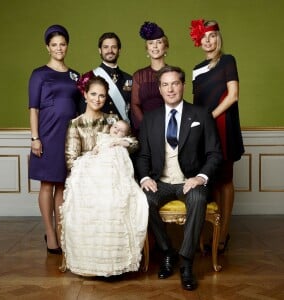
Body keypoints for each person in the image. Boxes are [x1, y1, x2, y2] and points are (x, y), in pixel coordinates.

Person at [135, 65, 222, 290]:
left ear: (183, 86)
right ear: (160, 89)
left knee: (198, 199)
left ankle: (186, 261)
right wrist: (145, 178)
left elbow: (214, 153)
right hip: (161, 182)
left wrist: (201, 177)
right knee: (144, 201)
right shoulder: (150, 118)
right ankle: (167, 251)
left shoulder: (201, 114)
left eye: (175, 83)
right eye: (165, 85)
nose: (170, 89)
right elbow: (143, 155)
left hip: (190, 180)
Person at [60, 75, 148, 277]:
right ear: (85, 94)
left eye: (102, 95)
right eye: (93, 94)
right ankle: (90, 263)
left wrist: (122, 143)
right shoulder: (76, 124)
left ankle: (114, 262)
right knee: (95, 203)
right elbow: (71, 160)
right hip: (86, 179)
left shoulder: (112, 120)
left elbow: (134, 143)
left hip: (112, 179)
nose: (97, 99)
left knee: (121, 202)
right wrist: (93, 163)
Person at [189, 19, 244, 253]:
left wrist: (209, 117)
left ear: (218, 38)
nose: (208, 41)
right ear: (199, 42)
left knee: (225, 179)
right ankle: (210, 229)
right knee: (209, 180)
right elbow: (196, 103)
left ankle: (223, 233)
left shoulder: (228, 61)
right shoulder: (196, 69)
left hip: (223, 125)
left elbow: (233, 96)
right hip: (204, 129)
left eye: (212, 36)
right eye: (204, 37)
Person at [28, 24, 82, 254]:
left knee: (62, 184)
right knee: (47, 183)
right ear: (47, 47)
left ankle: (61, 231)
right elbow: (33, 108)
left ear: (67, 46)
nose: (59, 48)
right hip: (47, 135)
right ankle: (50, 233)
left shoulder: (75, 76)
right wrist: (35, 138)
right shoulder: (39, 74)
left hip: (68, 135)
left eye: (62, 44)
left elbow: (81, 110)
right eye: (54, 45)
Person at [78, 32, 132, 122]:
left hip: (122, 132)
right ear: (100, 50)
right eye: (106, 47)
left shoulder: (129, 79)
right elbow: (83, 110)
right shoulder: (88, 77)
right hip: (99, 131)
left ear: (119, 50)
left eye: (114, 47)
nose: (110, 50)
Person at [131, 21, 169, 136]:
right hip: (145, 130)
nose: (155, 46)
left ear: (166, 46)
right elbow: (135, 105)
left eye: (159, 42)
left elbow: (178, 104)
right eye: (151, 43)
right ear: (147, 49)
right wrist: (147, 126)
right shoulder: (139, 76)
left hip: (169, 127)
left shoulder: (173, 74)